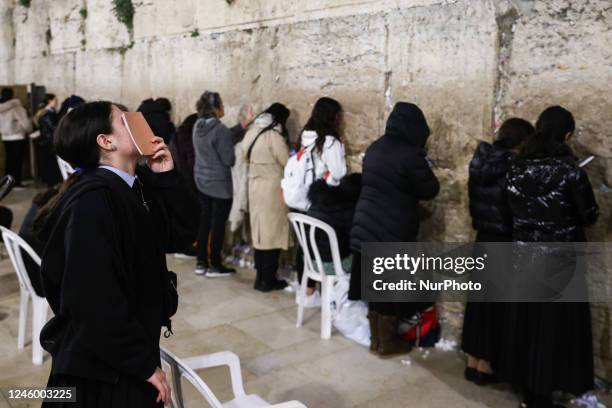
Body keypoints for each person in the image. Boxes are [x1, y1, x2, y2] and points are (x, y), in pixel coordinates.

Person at [35, 101, 199, 408]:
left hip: (125, 349)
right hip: (101, 371)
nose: (139, 124)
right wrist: (140, 363)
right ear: (105, 141)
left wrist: (166, 175)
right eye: (126, 121)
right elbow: (91, 299)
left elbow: (182, 235)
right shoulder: (93, 202)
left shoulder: (136, 185)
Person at [499, 106, 598, 408]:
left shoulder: (516, 166)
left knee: (528, 323)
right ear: (567, 134)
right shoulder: (571, 171)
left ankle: (527, 390)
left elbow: (509, 210)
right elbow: (589, 215)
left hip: (525, 256)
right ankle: (546, 393)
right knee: (555, 328)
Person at [350, 102, 439, 356]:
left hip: (367, 223)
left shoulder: (375, 147)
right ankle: (387, 343)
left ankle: (376, 340)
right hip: (391, 226)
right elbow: (429, 189)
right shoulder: (410, 154)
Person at [461, 118, 534, 386]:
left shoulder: (481, 161)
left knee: (479, 303)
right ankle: (487, 365)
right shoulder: (514, 167)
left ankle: (472, 361)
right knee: (496, 306)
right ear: (523, 141)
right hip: (504, 241)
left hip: (484, 238)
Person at [296, 97, 348, 303]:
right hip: (322, 202)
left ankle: (306, 291)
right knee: (329, 244)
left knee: (305, 246)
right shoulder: (330, 141)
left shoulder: (306, 135)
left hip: (302, 198)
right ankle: (333, 293)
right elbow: (339, 172)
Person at [241, 103, 292, 292]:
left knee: (260, 234)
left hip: (254, 185)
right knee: (272, 234)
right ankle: (268, 280)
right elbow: (286, 161)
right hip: (272, 188)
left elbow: (243, 154)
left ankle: (260, 277)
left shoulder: (252, 131)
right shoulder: (274, 136)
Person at [193, 91, 236, 277]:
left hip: (201, 181)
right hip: (219, 185)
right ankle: (216, 265)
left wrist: (240, 128)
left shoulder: (197, 126)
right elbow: (229, 160)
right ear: (216, 108)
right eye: (222, 105)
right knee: (217, 225)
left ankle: (201, 262)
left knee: (204, 223)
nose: (224, 108)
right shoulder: (221, 130)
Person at [306, 173, 362, 299]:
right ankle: (354, 301)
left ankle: (309, 292)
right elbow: (353, 240)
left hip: (310, 262)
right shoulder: (348, 208)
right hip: (332, 265)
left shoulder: (316, 201)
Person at [0, 88, 32, 187]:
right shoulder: (17, 107)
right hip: (17, 137)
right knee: (17, 161)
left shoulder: (1, 108)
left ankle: (7, 182)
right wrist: (29, 130)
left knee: (9, 161)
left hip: (5, 137)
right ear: (12, 95)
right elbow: (25, 123)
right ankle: (16, 183)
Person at [36, 93, 63, 187]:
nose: (57, 102)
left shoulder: (51, 112)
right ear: (49, 101)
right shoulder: (47, 114)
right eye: (55, 100)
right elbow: (54, 127)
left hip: (49, 141)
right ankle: (51, 182)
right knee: (50, 163)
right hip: (48, 142)